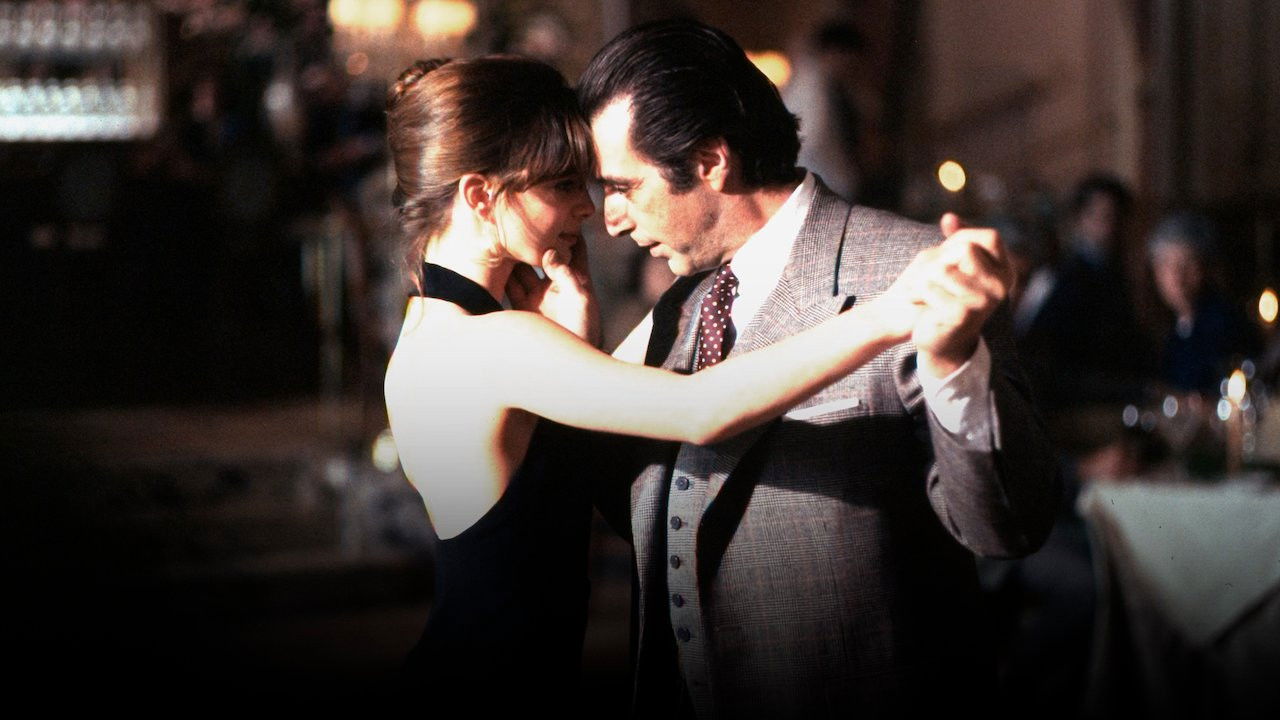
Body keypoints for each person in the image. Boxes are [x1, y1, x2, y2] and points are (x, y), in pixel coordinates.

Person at [381, 55, 964, 707]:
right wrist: (890, 312)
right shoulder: (492, 345)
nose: (588, 208)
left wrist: (580, 342)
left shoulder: (440, 333)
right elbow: (699, 409)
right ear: (479, 196)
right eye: (563, 184)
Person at [574, 20, 1060, 717]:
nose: (611, 219)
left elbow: (1009, 525)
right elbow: (660, 518)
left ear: (711, 161)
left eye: (622, 187)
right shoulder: (684, 304)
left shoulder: (917, 273)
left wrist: (954, 362)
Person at [1146, 212, 1258, 395]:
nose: (1177, 277)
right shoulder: (1171, 327)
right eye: (1166, 264)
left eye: (1187, 264)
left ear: (1205, 267)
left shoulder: (1224, 324)